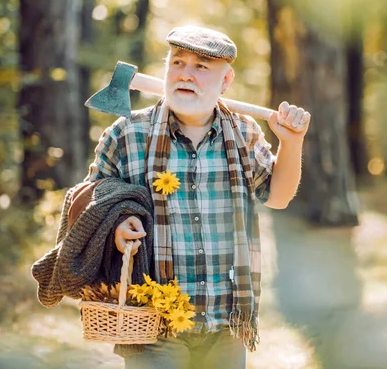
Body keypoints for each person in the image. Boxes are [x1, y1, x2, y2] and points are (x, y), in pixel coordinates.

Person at [86, 25, 310, 369]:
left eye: (201, 66)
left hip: (226, 321)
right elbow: (91, 205)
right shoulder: (127, 134)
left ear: (226, 80)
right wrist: (115, 227)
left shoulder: (244, 132)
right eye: (177, 62)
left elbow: (277, 197)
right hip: (152, 324)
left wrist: (291, 142)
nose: (185, 74)